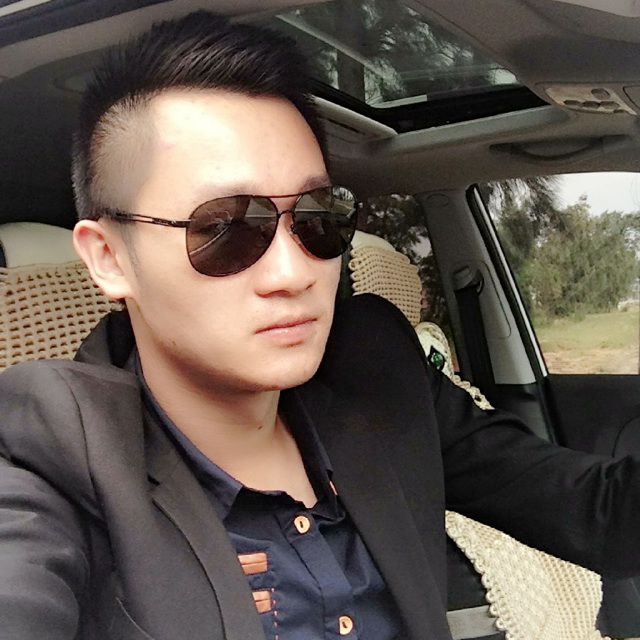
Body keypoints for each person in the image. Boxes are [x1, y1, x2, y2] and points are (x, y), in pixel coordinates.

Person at [1, 11, 639, 640]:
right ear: (110, 259)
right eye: (225, 227)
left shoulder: (376, 369)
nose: (293, 271)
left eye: (316, 217)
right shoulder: (48, 455)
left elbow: (596, 513)